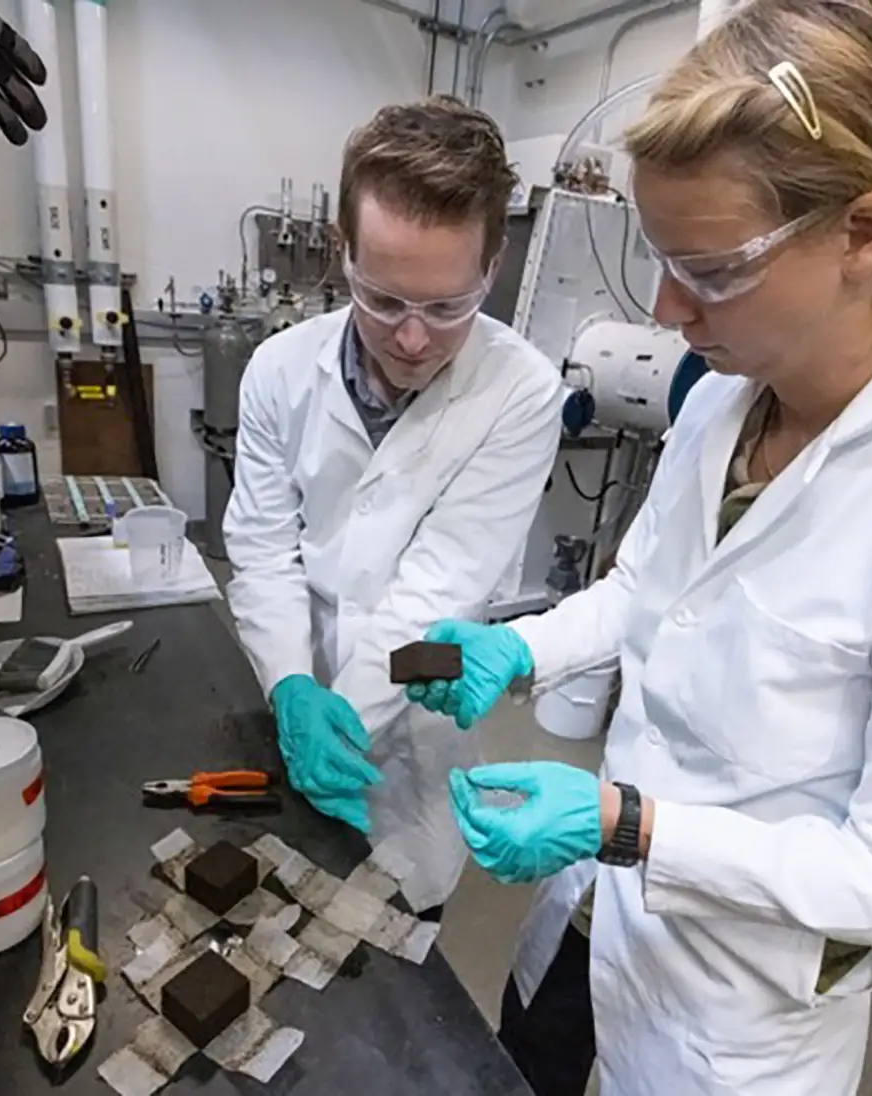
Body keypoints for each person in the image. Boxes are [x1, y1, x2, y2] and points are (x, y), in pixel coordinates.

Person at [408, 2, 872, 1093]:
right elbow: (649, 588)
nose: (666, 305)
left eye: (713, 269)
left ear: (863, 232)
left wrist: (632, 825)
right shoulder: (725, 406)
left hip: (731, 1022)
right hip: (593, 929)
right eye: (660, 258)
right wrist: (527, 650)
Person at [223, 96, 563, 915]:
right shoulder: (278, 368)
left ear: (490, 270)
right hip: (291, 673)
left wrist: (346, 707)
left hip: (416, 715)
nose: (413, 339)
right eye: (384, 301)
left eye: (449, 307)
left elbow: (440, 582)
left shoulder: (522, 393)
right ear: (344, 254)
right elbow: (265, 550)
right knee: (271, 901)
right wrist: (291, 688)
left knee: (403, 923)